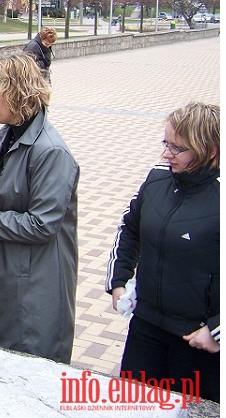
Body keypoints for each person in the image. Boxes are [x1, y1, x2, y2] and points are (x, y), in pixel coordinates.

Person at [0, 52, 79, 364]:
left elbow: (42, 225)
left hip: (35, 288)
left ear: (17, 92)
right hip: (7, 279)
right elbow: (7, 203)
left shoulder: (51, 152)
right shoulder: (7, 135)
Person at [106, 102, 220, 402]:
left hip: (196, 342)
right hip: (145, 328)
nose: (166, 154)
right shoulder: (157, 179)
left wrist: (217, 331)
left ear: (210, 152)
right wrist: (118, 282)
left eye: (178, 148)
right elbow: (129, 228)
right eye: (165, 143)